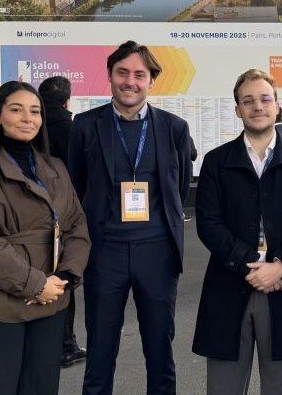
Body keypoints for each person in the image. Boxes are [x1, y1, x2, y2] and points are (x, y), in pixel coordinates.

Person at [0, 81, 91, 395]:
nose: (28, 118)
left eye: (35, 111)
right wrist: (36, 284)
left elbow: (77, 226)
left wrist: (65, 277)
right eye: (16, 109)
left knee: (41, 388)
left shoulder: (55, 168)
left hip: (50, 303)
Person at [68, 41, 192, 395]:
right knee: (100, 351)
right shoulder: (85, 125)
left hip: (157, 253)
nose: (130, 81)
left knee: (160, 351)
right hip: (104, 253)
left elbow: (179, 188)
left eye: (139, 74)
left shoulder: (174, 128)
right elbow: (76, 186)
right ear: (109, 75)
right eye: (122, 72)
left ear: (151, 80)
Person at [193, 69, 282, 395]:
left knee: (281, 388)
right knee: (223, 388)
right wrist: (251, 265)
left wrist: (280, 266)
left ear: (277, 106)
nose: (257, 107)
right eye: (248, 101)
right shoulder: (216, 162)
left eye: (265, 99)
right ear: (237, 109)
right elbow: (208, 223)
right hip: (229, 286)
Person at [38, 75, 87, 368]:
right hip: (65, 216)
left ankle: (45, 344)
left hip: (30, 219)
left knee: (37, 277)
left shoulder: (32, 129)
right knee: (64, 277)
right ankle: (65, 344)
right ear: (67, 101)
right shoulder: (72, 130)